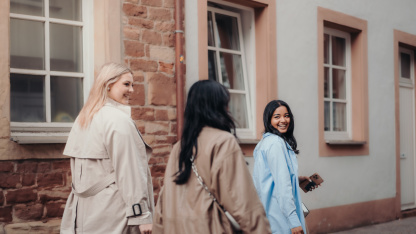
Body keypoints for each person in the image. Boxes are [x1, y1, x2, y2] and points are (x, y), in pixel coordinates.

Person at [153, 80, 271, 234]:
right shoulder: (223, 142)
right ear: (218, 107)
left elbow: (164, 200)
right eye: (226, 104)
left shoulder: (179, 147)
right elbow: (243, 203)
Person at [61, 63, 154, 234]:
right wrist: (141, 215)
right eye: (126, 84)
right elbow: (130, 172)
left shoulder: (84, 117)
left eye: (132, 85)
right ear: (108, 84)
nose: (132, 90)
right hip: (114, 211)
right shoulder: (119, 120)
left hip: (83, 211)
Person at [252, 100, 308, 234]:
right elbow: (282, 186)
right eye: (277, 117)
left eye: (286, 115)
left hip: (269, 216)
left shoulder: (264, 143)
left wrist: (297, 180)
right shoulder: (275, 144)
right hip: (280, 219)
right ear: (268, 119)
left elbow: (270, 178)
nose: (283, 120)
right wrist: (293, 221)